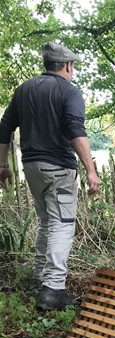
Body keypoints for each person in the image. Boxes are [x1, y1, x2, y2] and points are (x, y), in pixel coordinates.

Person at [0, 42, 101, 311]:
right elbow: (75, 129)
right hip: (58, 169)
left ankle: (39, 275)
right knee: (62, 225)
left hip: (32, 165)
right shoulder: (69, 91)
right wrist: (90, 169)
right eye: (73, 67)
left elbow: (5, 126)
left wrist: (2, 165)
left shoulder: (24, 89)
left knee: (47, 221)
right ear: (67, 66)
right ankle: (53, 289)